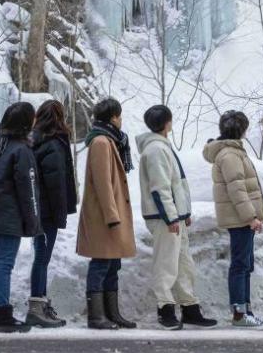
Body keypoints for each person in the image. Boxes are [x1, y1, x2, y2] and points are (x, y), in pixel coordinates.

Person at [137, 105, 217, 330]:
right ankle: (165, 310)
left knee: (183, 264)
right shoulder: (155, 149)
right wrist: (172, 217)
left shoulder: (162, 147)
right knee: (166, 264)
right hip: (164, 218)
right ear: (166, 123)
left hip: (173, 217)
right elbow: (160, 188)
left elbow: (176, 185)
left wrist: (183, 214)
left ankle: (190, 308)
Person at [202, 110, 263, 329]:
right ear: (241, 130)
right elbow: (237, 189)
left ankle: (245, 311)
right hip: (240, 219)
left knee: (244, 264)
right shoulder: (230, 154)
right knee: (241, 265)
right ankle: (240, 314)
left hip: (240, 218)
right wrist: (251, 217)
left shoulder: (231, 152)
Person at [0, 102, 42, 333]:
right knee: (4, 265)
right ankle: (2, 316)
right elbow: (28, 190)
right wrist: (33, 222)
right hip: (9, 215)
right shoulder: (22, 151)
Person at [77, 98, 137, 330]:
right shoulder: (101, 142)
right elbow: (102, 183)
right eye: (119, 116)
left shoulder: (111, 141)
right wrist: (112, 216)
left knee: (113, 264)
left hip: (113, 214)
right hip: (105, 216)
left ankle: (112, 313)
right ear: (113, 117)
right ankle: (96, 316)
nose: (121, 120)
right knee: (101, 263)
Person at [26, 100, 78, 328]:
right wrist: (60, 213)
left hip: (37, 208)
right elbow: (56, 183)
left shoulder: (35, 141)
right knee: (42, 258)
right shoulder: (54, 144)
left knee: (40, 256)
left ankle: (41, 303)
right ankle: (37, 308)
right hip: (47, 211)